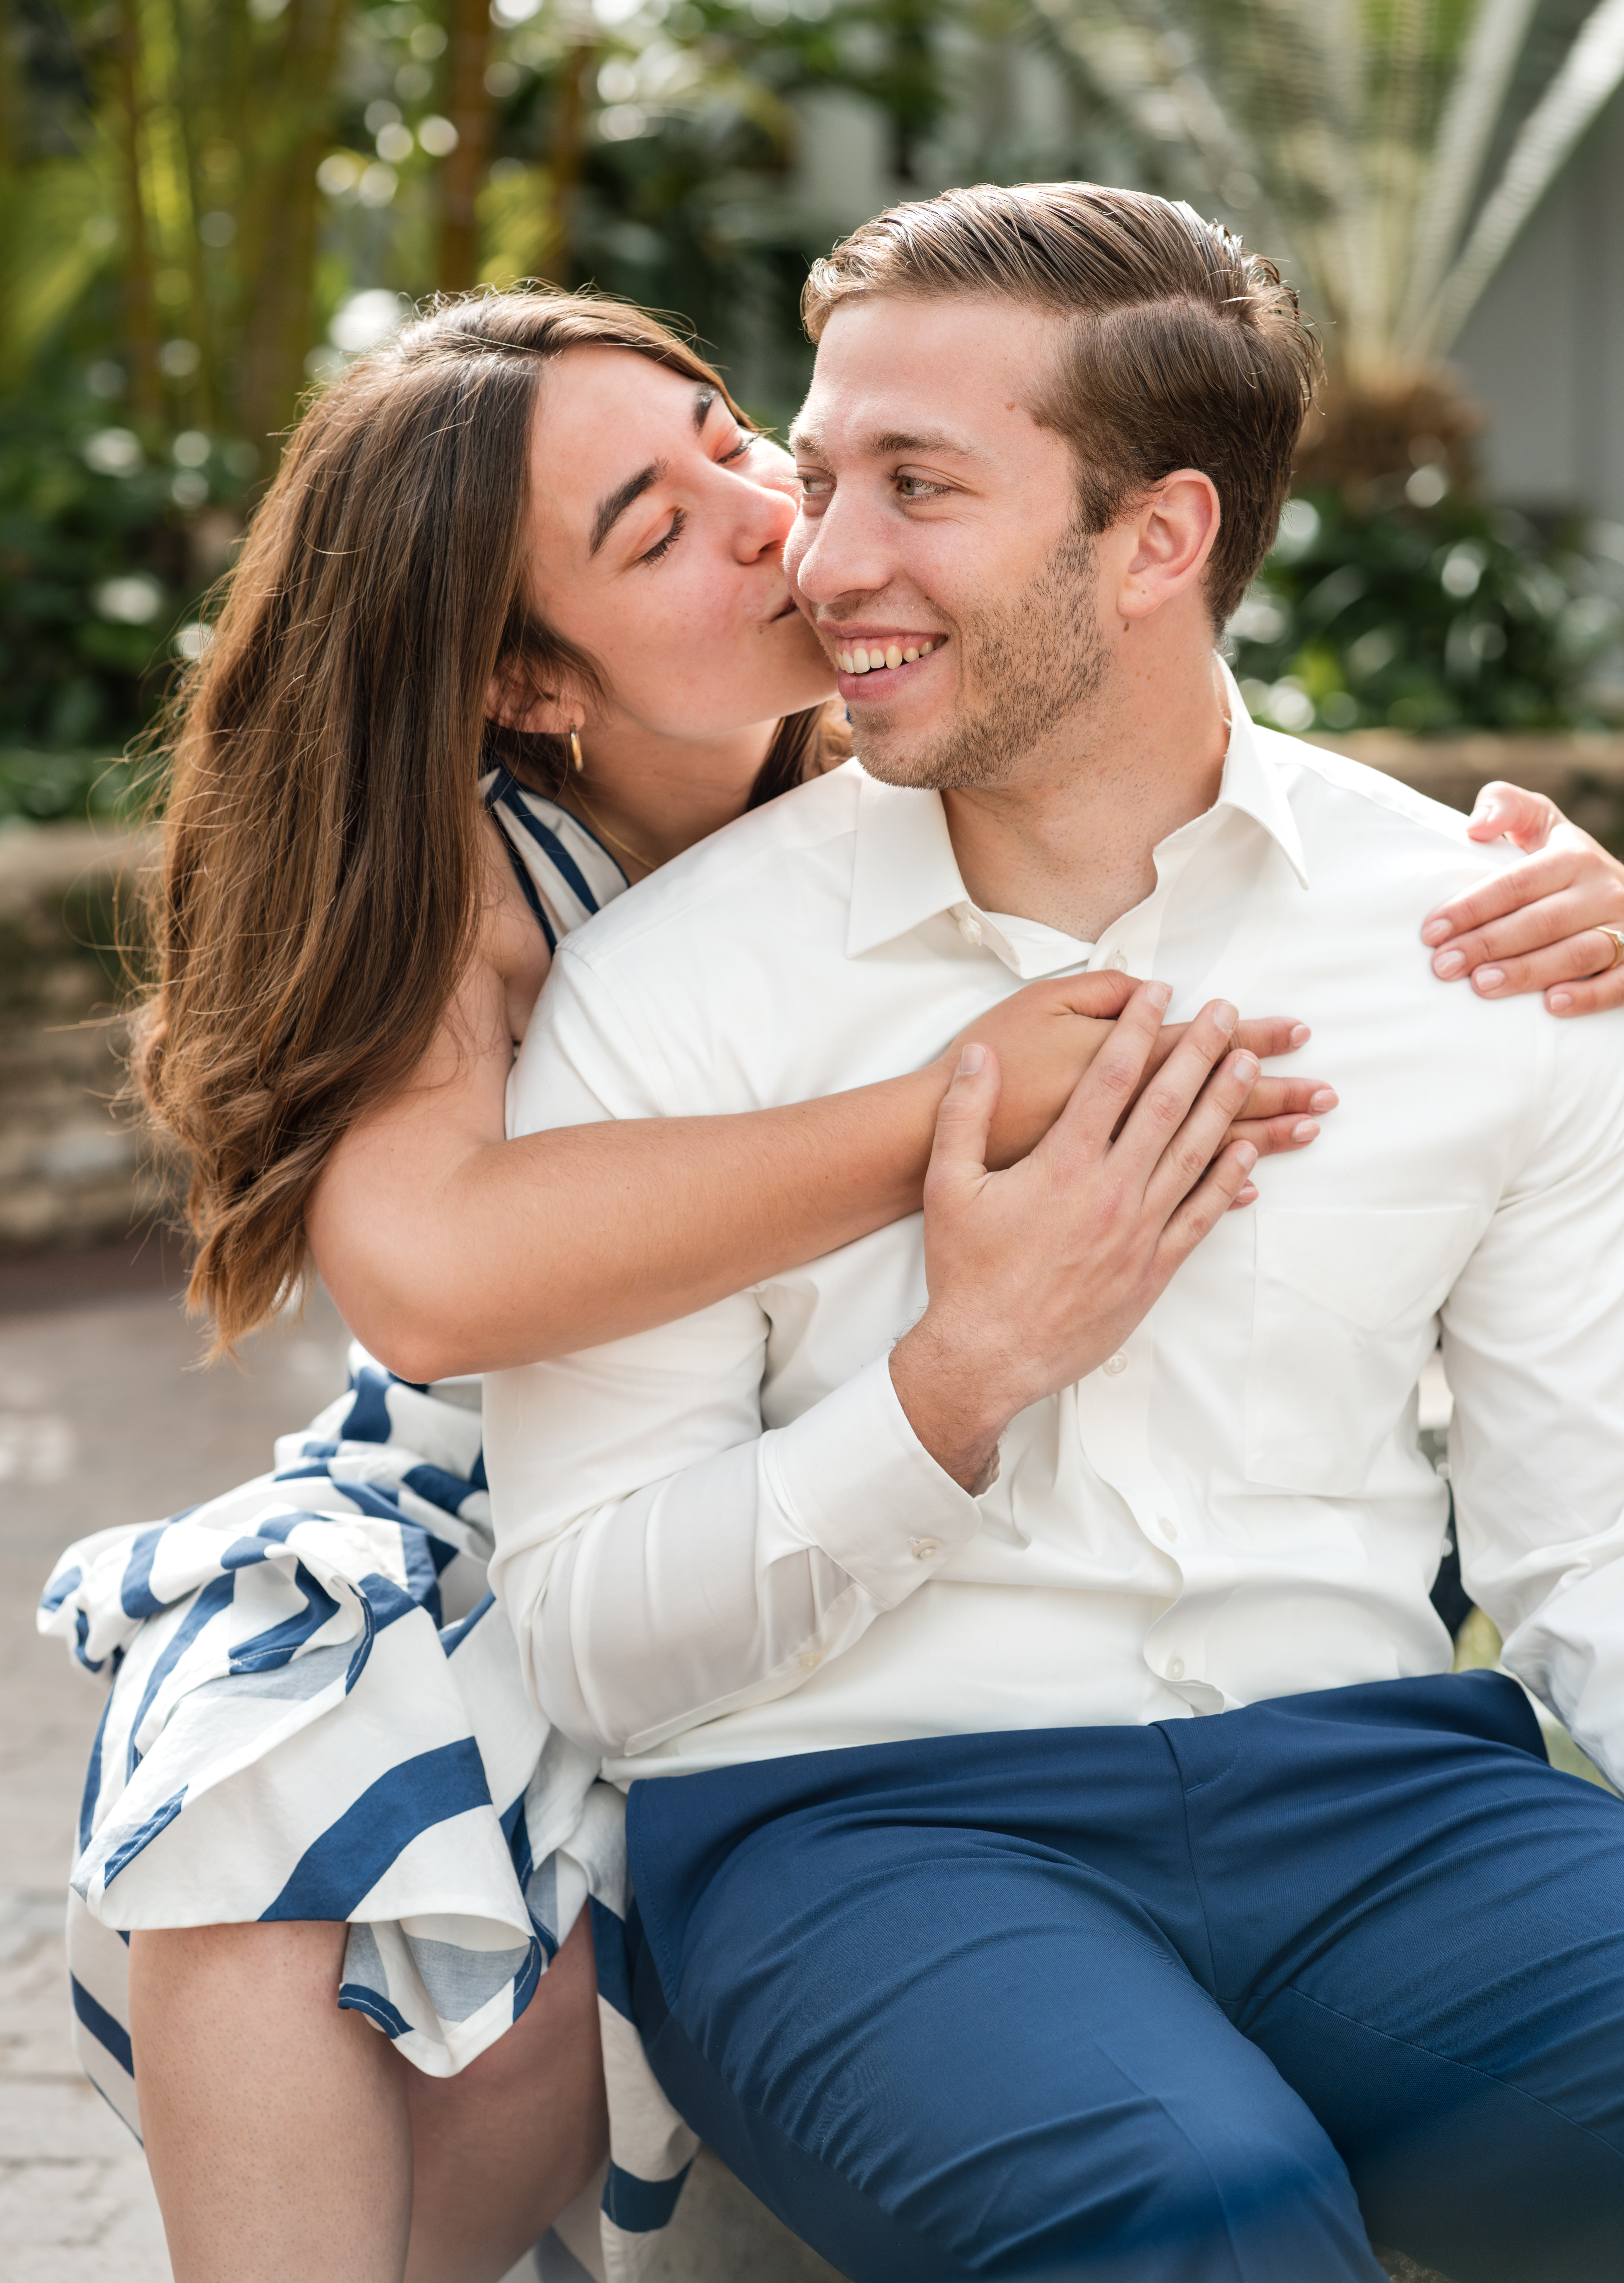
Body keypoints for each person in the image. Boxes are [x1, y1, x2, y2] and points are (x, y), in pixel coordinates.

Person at [42, 286, 1352, 2283]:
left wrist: (1544, 909)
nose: (766, 512)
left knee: (547, 2007)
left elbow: (1254, 818)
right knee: (263, 1754)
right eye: (652, 531)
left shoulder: (934, 731)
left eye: (734, 436)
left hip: (801, 1503)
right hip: (480, 1513)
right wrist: (945, 1106)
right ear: (531, 690)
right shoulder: (488, 872)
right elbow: (432, 1279)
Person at [485, 188, 1624, 2283]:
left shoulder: (1477, 941)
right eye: (820, 480)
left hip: (1395, 1809)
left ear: (1159, 540)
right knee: (1201, 2210)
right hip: (864, 1835)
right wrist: (959, 1381)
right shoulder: (683, 988)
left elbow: (1586, 1548)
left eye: (918, 489)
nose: (825, 564)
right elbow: (576, 1631)